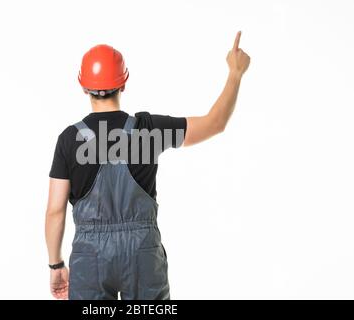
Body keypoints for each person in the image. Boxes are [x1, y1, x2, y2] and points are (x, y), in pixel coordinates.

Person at [45, 31, 250, 300]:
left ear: (83, 86)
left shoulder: (69, 139)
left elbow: (55, 212)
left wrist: (56, 265)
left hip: (90, 255)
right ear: (124, 82)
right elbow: (215, 123)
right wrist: (235, 73)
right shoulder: (149, 130)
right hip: (142, 252)